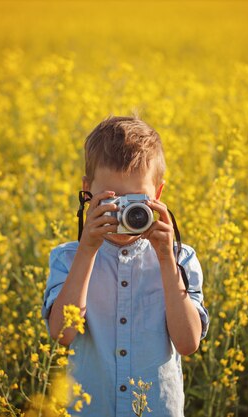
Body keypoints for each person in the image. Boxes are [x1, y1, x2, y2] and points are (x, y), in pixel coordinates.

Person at [42, 114, 209, 416]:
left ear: (158, 196)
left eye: (134, 200)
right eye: (112, 200)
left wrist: (166, 259)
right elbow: (61, 336)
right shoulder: (68, 258)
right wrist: (87, 249)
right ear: (87, 191)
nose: (122, 213)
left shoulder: (180, 259)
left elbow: (187, 343)